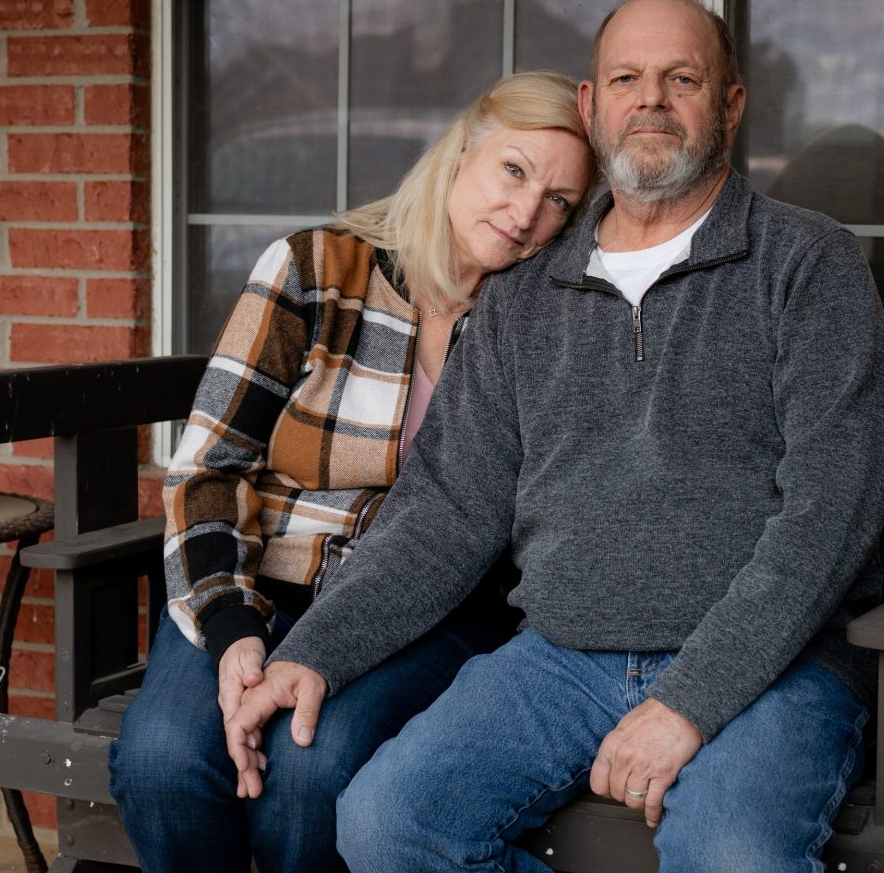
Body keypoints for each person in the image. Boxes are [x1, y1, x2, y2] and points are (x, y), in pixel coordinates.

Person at [227, 0, 884, 872]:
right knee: (390, 823)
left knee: (732, 855)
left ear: (730, 105)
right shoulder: (526, 298)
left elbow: (830, 517)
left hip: (776, 667)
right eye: (625, 77)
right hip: (561, 659)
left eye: (682, 78)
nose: (650, 99)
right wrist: (313, 653)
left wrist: (689, 702)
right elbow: (446, 508)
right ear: (592, 106)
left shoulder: (807, 266)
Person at [106, 70, 594, 873]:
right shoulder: (317, 268)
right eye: (514, 170)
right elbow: (209, 467)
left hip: (426, 609)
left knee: (310, 771)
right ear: (463, 151)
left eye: (560, 202)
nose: (525, 213)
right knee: (164, 764)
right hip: (259, 579)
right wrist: (233, 633)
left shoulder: (543, 320)